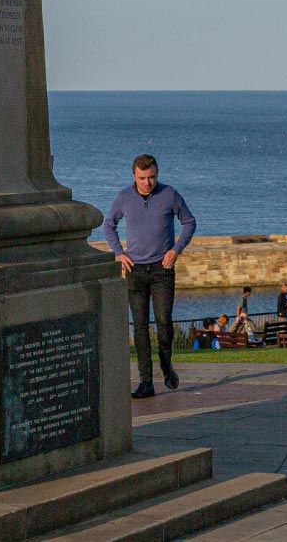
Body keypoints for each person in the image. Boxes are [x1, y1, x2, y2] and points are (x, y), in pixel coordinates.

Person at [100, 154, 196, 399]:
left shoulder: (170, 195)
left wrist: (176, 250)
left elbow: (189, 222)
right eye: (142, 178)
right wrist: (119, 254)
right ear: (134, 176)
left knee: (164, 322)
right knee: (140, 327)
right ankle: (146, 382)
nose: (147, 182)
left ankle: (167, 366)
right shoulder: (124, 197)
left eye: (151, 177)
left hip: (162, 269)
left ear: (157, 174)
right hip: (134, 270)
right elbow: (108, 225)